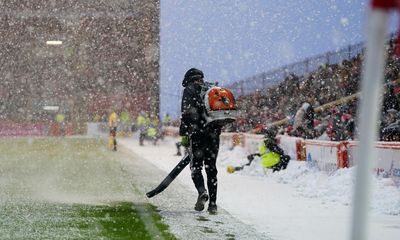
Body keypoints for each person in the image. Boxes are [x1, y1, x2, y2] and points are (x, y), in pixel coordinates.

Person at [179, 68, 222, 214]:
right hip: (213, 135)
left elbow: (186, 113)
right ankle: (213, 205)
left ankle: (202, 191)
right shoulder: (211, 90)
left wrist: (184, 133)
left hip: (197, 134)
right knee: (211, 169)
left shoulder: (189, 90)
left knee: (196, 167)